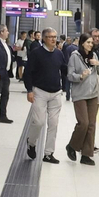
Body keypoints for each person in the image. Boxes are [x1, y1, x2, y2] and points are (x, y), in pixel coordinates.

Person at [22, 28, 67, 163]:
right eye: (50, 37)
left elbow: (64, 69)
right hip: (40, 92)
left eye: (55, 37)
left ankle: (48, 153)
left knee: (53, 124)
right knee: (39, 122)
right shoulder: (36, 54)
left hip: (56, 93)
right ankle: (31, 142)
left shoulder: (59, 54)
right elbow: (28, 73)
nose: (54, 39)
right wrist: (29, 90)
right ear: (44, 39)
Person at [65, 35, 99, 164]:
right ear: (82, 43)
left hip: (93, 95)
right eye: (88, 42)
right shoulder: (75, 57)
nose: (90, 45)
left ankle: (86, 155)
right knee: (84, 123)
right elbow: (70, 75)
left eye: (91, 43)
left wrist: (97, 65)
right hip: (80, 95)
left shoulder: (94, 56)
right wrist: (81, 76)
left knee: (91, 124)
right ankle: (72, 145)